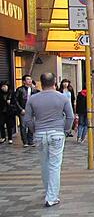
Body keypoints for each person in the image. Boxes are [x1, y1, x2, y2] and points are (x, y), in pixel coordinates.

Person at [24, 73, 74, 207]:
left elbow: (27, 119)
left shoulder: (33, 99)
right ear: (55, 83)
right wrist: (66, 130)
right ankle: (51, 197)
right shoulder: (62, 98)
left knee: (44, 164)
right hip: (57, 132)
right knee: (54, 165)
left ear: (40, 83)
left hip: (40, 133)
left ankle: (49, 192)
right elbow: (70, 117)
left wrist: (35, 129)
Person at [14, 74, 39, 147]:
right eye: (27, 79)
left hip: (32, 110)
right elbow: (16, 100)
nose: (29, 81)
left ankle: (30, 140)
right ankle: (25, 141)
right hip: (23, 110)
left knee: (31, 126)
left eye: (30, 79)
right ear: (24, 81)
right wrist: (21, 109)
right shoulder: (20, 89)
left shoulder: (34, 90)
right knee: (23, 126)